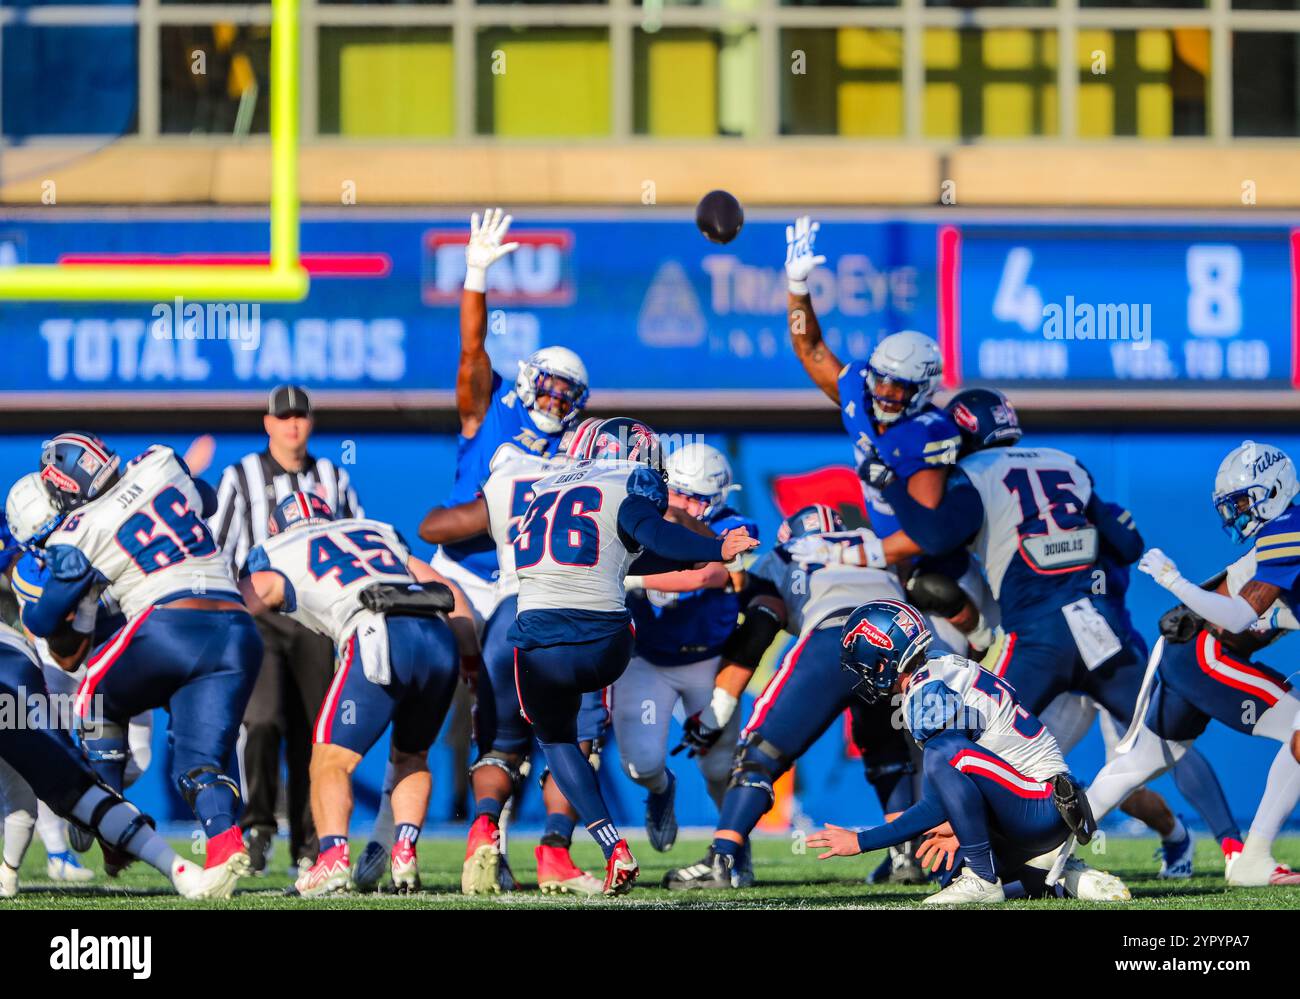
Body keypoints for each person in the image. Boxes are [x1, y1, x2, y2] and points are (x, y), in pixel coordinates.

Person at [508, 417, 757, 894]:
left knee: (557, 742)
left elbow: (615, 549)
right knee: (629, 756)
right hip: (606, 643)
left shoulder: (542, 489)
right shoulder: (630, 480)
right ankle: (619, 846)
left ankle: (614, 844)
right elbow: (655, 536)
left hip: (536, 643)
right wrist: (714, 548)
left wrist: (700, 552)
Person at [19, 433, 263, 897]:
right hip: (236, 627)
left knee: (94, 698)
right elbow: (205, 500)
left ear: (66, 486)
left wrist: (58, 590)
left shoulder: (78, 529)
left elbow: (46, 619)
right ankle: (224, 842)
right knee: (200, 761)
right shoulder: (159, 462)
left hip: (168, 620)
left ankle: (111, 827)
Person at [661, 505, 925, 891]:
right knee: (888, 752)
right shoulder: (872, 543)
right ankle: (906, 854)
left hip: (834, 638)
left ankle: (722, 858)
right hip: (898, 648)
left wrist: (717, 711)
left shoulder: (783, 556)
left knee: (759, 756)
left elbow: (761, 627)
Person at [809, 599, 1131, 905]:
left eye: (864, 666)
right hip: (1029, 801)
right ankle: (1055, 878)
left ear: (884, 661)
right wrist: (957, 825)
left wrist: (862, 841)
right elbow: (965, 781)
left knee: (942, 752)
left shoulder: (926, 693)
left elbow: (946, 776)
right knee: (945, 869)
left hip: (1041, 806)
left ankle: (982, 878)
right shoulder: (939, 667)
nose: (862, 675)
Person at [239, 492, 480, 896]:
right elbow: (446, 588)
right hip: (437, 636)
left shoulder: (276, 551)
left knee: (329, 759)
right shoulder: (373, 531)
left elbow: (243, 602)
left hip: (377, 633)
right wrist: (470, 660)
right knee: (411, 755)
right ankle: (404, 854)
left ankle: (332, 859)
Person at [1088, 440, 1300, 887]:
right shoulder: (1285, 528)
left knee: (1137, 765)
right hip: (1204, 652)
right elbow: (1238, 614)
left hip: (1192, 654)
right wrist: (1175, 582)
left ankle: (1045, 853)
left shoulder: (1286, 530)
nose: (1237, 513)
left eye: (1243, 501)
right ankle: (1253, 858)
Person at [211, 385, 364, 874]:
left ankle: (309, 839)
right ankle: (258, 825)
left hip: (316, 618)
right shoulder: (240, 477)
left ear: (311, 422)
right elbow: (218, 549)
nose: (293, 424)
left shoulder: (333, 478)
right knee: (261, 721)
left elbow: (356, 538)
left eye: (301, 416)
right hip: (261, 618)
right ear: (268, 423)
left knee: (314, 733)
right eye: (284, 417)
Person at [616, 442, 757, 852]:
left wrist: (632, 580)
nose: (685, 506)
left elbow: (708, 575)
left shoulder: (733, 525)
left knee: (718, 766)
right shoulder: (642, 518)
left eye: (697, 498)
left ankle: (734, 850)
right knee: (641, 766)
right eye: (678, 493)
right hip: (648, 659)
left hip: (707, 661)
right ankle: (661, 790)